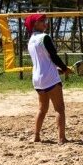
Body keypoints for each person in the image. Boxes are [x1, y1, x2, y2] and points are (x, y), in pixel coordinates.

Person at [25, 13, 72, 143]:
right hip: (50, 78)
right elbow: (54, 56)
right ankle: (61, 138)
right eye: (42, 21)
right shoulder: (45, 37)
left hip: (37, 78)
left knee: (42, 109)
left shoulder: (30, 40)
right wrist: (64, 68)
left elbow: (42, 60)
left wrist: (56, 69)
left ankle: (36, 136)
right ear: (35, 24)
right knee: (59, 108)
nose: (45, 23)